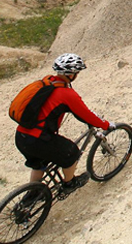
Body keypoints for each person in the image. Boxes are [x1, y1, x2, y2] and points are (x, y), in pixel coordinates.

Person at [14, 53, 115, 194]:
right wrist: (105, 125)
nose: (77, 75)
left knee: (39, 163)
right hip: (38, 139)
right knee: (71, 153)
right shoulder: (66, 94)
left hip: (21, 136)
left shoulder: (47, 81)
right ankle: (69, 183)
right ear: (71, 74)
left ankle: (33, 193)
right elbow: (86, 115)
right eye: (77, 72)